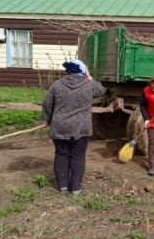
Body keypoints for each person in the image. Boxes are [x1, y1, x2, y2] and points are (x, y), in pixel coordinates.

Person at [42, 59, 106, 195]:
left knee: (61, 154)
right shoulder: (89, 85)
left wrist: (48, 119)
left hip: (60, 127)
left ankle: (62, 187)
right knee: (78, 156)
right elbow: (101, 90)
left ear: (68, 71)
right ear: (82, 71)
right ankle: (76, 188)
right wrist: (89, 76)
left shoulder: (57, 85)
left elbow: (47, 104)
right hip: (81, 128)